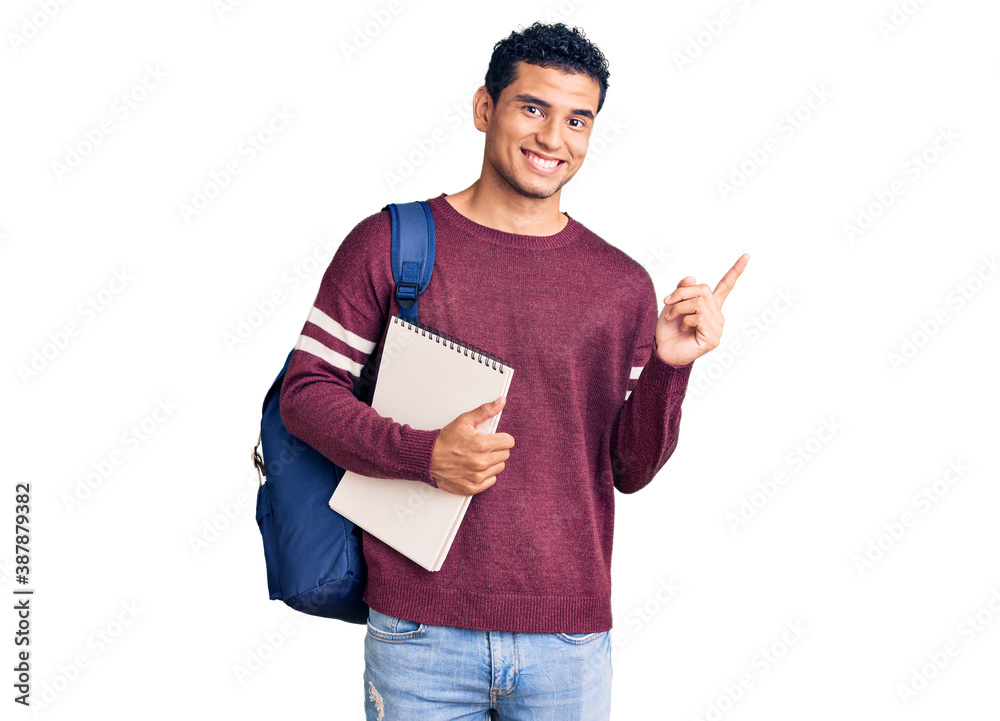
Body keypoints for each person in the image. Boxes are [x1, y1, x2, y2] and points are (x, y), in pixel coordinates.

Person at [280, 20, 748, 721]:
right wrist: (426, 454)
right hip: (419, 631)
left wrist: (671, 372)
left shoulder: (621, 284)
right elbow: (304, 395)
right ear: (484, 108)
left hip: (568, 637)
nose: (553, 138)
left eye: (577, 120)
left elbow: (630, 467)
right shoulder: (392, 243)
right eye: (533, 107)